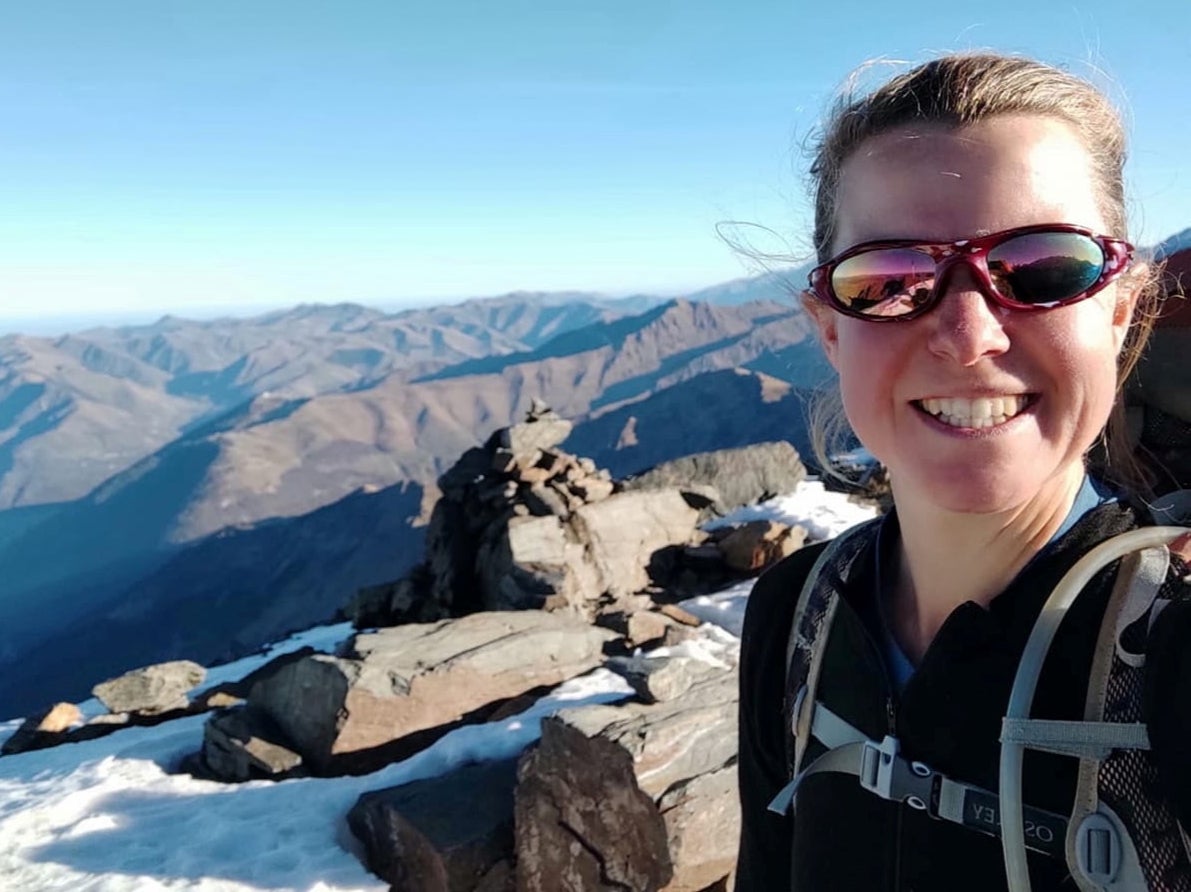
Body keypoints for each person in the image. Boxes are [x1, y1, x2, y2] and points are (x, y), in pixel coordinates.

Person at [735, 53, 1191, 891]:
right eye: (889, 279)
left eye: (1046, 267)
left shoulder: (1174, 651)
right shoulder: (794, 616)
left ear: (1120, 307)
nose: (967, 334)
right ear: (829, 329)